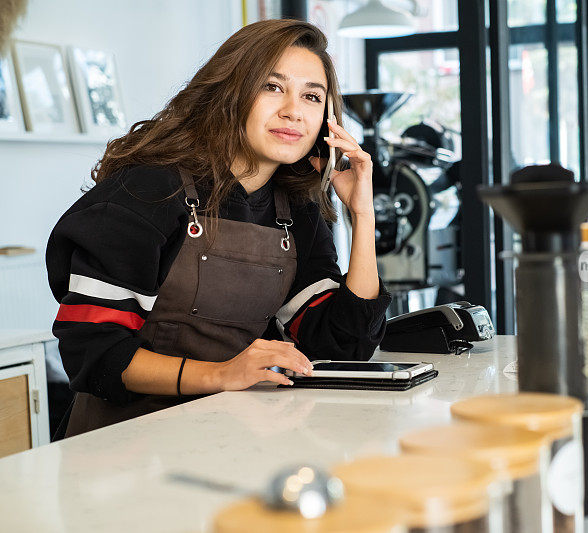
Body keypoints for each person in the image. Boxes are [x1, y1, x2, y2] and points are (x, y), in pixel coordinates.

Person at [45, 19, 390, 438]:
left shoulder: (294, 211)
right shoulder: (149, 189)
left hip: (228, 437)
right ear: (230, 93)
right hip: (121, 447)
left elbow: (343, 345)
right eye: (272, 86)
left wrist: (362, 213)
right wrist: (222, 374)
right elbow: (93, 353)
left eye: (312, 96)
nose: (293, 111)